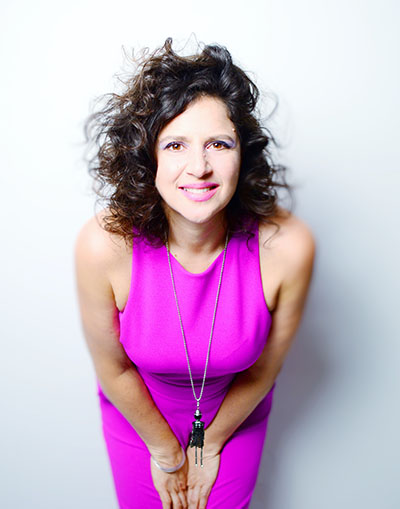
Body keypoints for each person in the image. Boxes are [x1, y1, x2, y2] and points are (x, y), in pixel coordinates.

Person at [75, 38, 316, 509]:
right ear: (148, 157)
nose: (200, 167)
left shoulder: (287, 247)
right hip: (137, 420)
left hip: (235, 417)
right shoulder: (104, 244)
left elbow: (267, 366)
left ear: (242, 153)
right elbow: (113, 367)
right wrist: (166, 452)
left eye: (218, 144)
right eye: (176, 144)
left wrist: (211, 447)